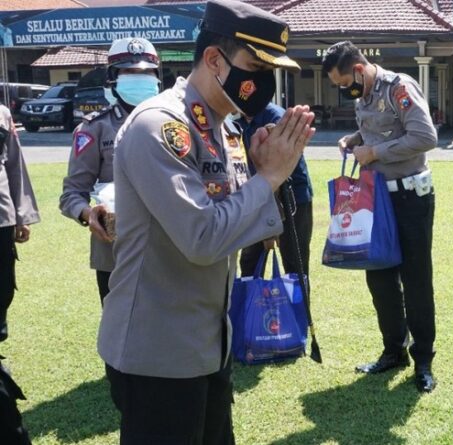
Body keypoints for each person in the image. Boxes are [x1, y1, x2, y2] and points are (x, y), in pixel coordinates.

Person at [96, 1, 315, 443]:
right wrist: (269, 178)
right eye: (256, 67)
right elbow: (203, 239)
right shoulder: (160, 126)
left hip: (210, 341)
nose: (263, 83)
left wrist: (262, 174)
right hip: (160, 351)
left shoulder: (224, 128)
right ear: (215, 60)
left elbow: (236, 222)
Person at [322, 41, 438, 393]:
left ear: (359, 69)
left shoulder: (399, 87)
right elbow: (382, 128)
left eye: (345, 83)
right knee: (380, 278)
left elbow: (425, 136)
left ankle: (423, 360)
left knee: (415, 279)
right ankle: (393, 351)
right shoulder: (365, 94)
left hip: (410, 196)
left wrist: (373, 151)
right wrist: (355, 138)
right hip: (375, 198)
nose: (344, 91)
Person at [59, 37, 162, 305]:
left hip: (168, 248)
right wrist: (88, 213)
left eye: (146, 72)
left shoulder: (174, 124)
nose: (139, 77)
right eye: (129, 71)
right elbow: (72, 193)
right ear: (113, 79)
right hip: (115, 250)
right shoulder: (94, 128)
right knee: (119, 323)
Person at [238, 103, 314, 280]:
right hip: (256, 198)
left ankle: (298, 300)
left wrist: (271, 224)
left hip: (290, 200)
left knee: (295, 267)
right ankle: (249, 299)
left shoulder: (276, 119)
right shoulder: (240, 121)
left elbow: (279, 172)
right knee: (249, 262)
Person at [0, 104, 39, 343]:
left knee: (3, 285)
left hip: (1, 216)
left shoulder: (2, 114)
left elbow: (15, 164)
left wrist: (22, 215)